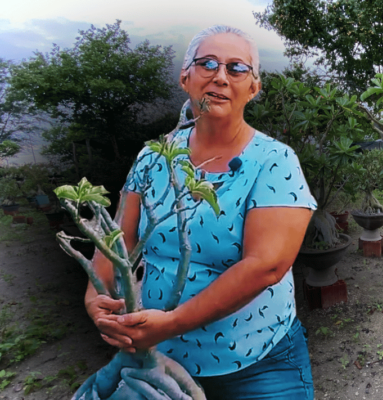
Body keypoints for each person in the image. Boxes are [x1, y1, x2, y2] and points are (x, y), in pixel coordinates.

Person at [83, 25, 316, 399]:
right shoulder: (153, 158)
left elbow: (266, 265)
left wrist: (172, 323)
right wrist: (96, 298)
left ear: (253, 88)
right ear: (185, 78)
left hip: (258, 365)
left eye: (237, 68)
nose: (220, 77)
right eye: (207, 64)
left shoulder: (274, 161)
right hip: (160, 359)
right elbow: (118, 241)